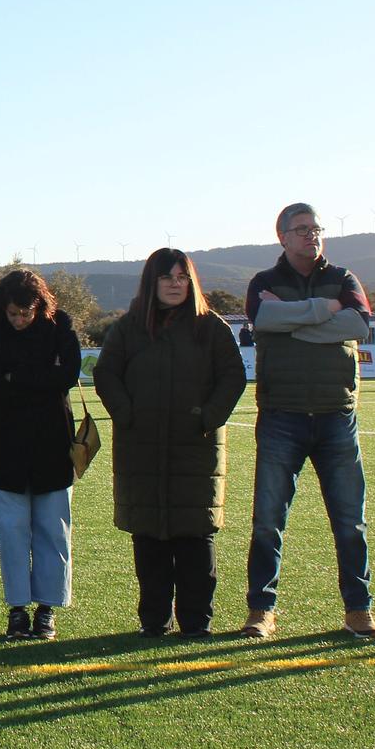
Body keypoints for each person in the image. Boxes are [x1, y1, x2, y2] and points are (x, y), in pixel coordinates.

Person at [241, 203, 375, 641]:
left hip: (336, 415)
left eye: (316, 228)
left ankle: (358, 609)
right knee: (268, 520)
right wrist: (325, 311)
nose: (311, 235)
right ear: (281, 236)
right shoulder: (264, 284)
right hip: (282, 414)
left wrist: (293, 317)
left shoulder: (344, 278)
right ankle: (261, 610)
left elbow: (358, 323)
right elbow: (263, 319)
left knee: (349, 521)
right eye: (301, 229)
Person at [93, 250, 247, 637]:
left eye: (182, 277)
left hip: (196, 449)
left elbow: (233, 377)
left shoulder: (211, 328)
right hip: (140, 448)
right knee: (149, 541)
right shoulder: (129, 328)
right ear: (152, 282)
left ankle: (196, 622)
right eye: (167, 277)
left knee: (196, 539)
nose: (176, 284)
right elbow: (106, 374)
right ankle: (154, 621)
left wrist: (207, 418)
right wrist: (128, 415)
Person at [0, 268, 82, 641]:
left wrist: (16, 378)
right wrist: (41, 377)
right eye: (13, 314)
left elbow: (69, 374)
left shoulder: (61, 325)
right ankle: (18, 609)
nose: (19, 320)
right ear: (1, 309)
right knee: (12, 532)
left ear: (41, 307)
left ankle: (48, 608)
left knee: (53, 531)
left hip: (53, 445)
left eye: (26, 314)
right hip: (5, 447)